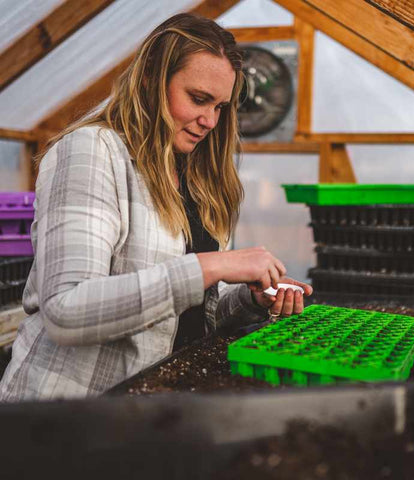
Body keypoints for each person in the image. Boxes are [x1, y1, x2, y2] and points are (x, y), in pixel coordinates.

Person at [0, 13, 312, 402]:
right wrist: (210, 266)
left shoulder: (200, 180)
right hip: (64, 419)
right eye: (198, 99)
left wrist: (250, 300)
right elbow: (67, 310)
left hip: (152, 409)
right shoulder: (93, 152)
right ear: (150, 78)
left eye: (220, 107)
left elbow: (193, 318)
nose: (210, 120)